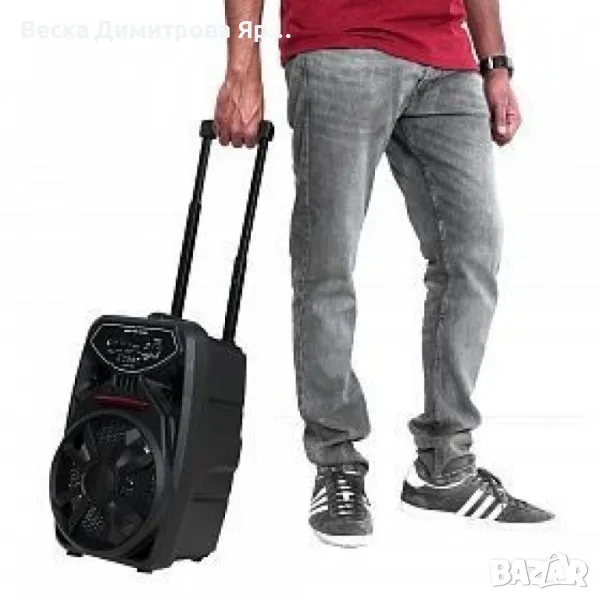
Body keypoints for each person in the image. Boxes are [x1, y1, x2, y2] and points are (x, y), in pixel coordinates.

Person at [213, 0, 554, 547]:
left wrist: (495, 65)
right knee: (326, 264)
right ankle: (336, 462)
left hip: (447, 59)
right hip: (337, 47)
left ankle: (445, 466)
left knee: (472, 258)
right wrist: (241, 62)